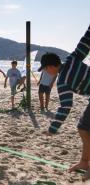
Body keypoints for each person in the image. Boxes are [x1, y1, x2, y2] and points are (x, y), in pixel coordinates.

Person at [44, 25, 90, 181]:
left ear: (50, 67)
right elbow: (85, 43)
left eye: (44, 70)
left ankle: (86, 163)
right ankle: (84, 162)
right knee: (83, 128)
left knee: (84, 129)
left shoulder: (62, 82)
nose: (45, 73)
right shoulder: (71, 59)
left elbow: (66, 106)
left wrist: (52, 129)